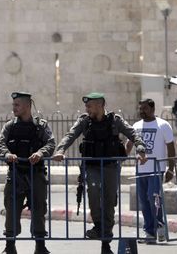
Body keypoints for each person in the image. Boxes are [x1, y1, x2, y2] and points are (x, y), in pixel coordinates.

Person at [52, 92, 147, 254]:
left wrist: (141, 149)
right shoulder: (84, 121)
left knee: (109, 201)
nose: (87, 109)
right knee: (94, 195)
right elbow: (70, 135)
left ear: (99, 105)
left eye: (89, 106)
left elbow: (134, 134)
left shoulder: (115, 121)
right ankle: (98, 227)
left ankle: (106, 240)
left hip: (110, 166)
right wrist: (60, 150)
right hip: (92, 166)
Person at [0, 92, 56, 254]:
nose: (13, 108)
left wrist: (41, 153)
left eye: (17, 105)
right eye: (13, 104)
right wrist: (7, 154)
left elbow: (51, 144)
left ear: (27, 106)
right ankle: (10, 246)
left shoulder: (40, 126)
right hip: (15, 174)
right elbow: (0, 144)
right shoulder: (10, 126)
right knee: (11, 210)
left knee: (38, 210)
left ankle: (40, 246)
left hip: (35, 174)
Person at [126, 98, 176, 244]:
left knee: (153, 198)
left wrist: (171, 169)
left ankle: (160, 227)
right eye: (140, 108)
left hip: (156, 170)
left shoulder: (163, 125)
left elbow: (171, 148)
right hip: (140, 170)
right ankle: (149, 232)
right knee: (143, 201)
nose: (141, 111)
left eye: (145, 109)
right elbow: (128, 145)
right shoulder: (136, 126)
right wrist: (121, 156)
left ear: (152, 109)